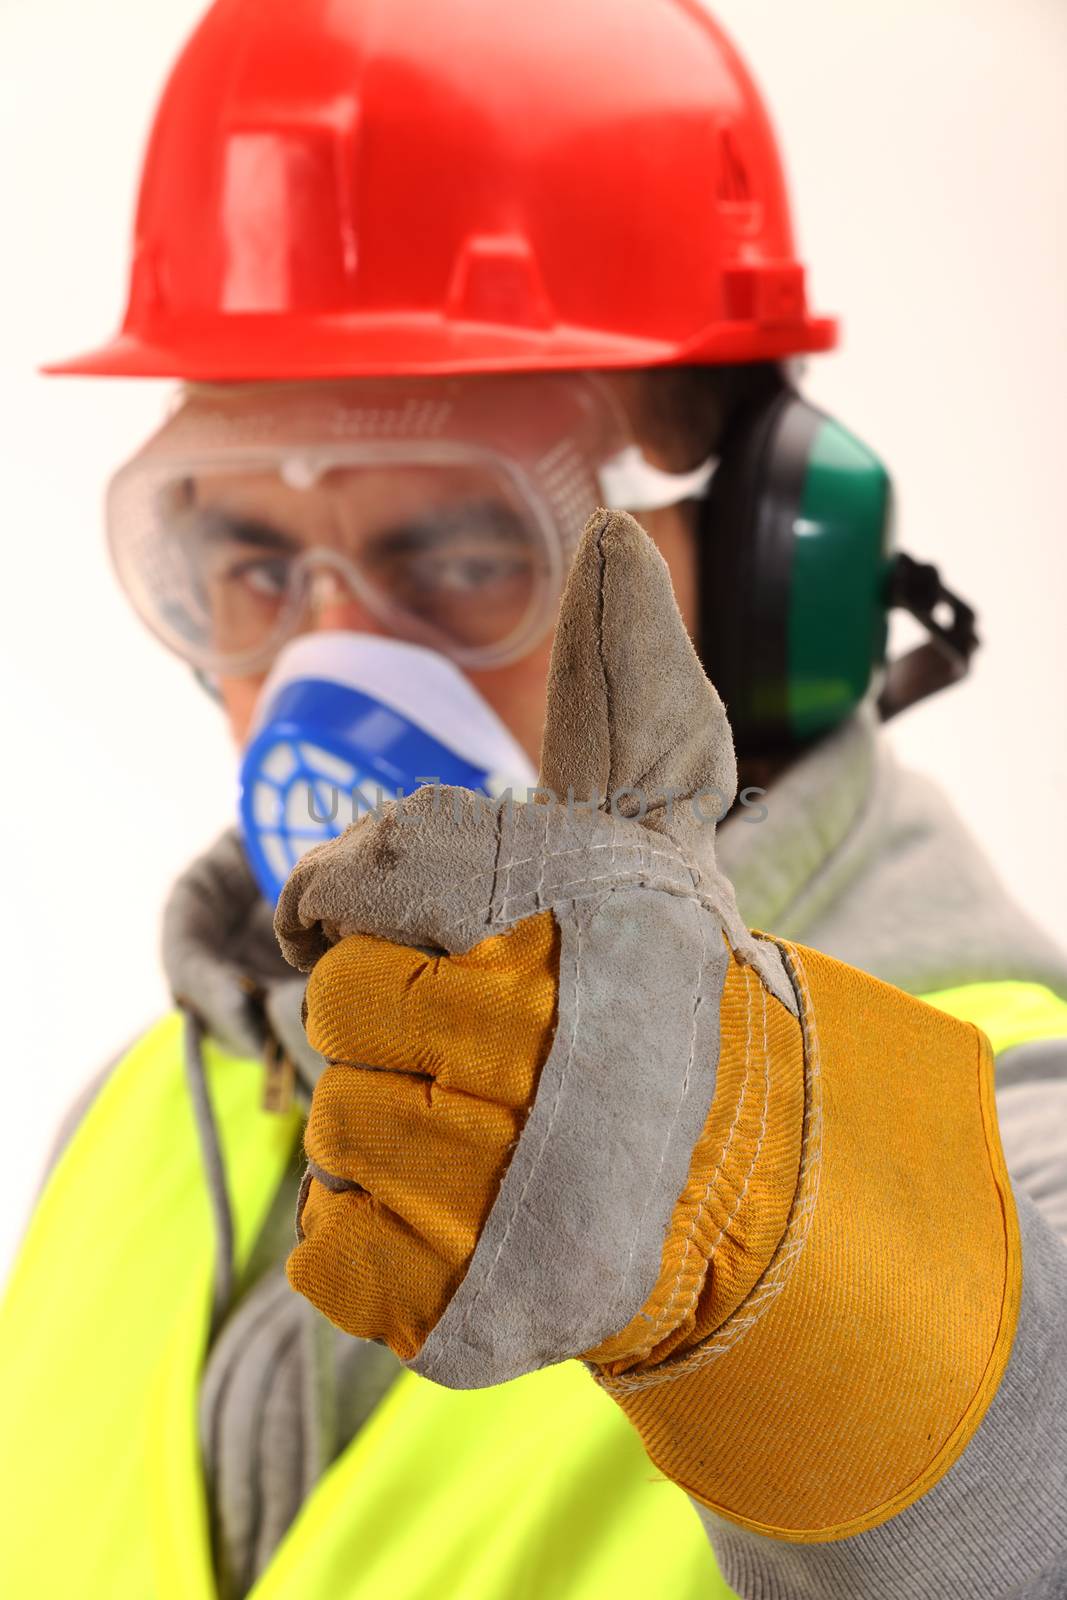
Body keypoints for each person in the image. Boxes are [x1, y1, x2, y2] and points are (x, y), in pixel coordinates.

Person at [2, 3, 1065, 1598]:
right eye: (251, 562)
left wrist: (790, 1240)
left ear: (780, 566)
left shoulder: (982, 1114)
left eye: (466, 553)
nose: (332, 667)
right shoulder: (151, 1120)